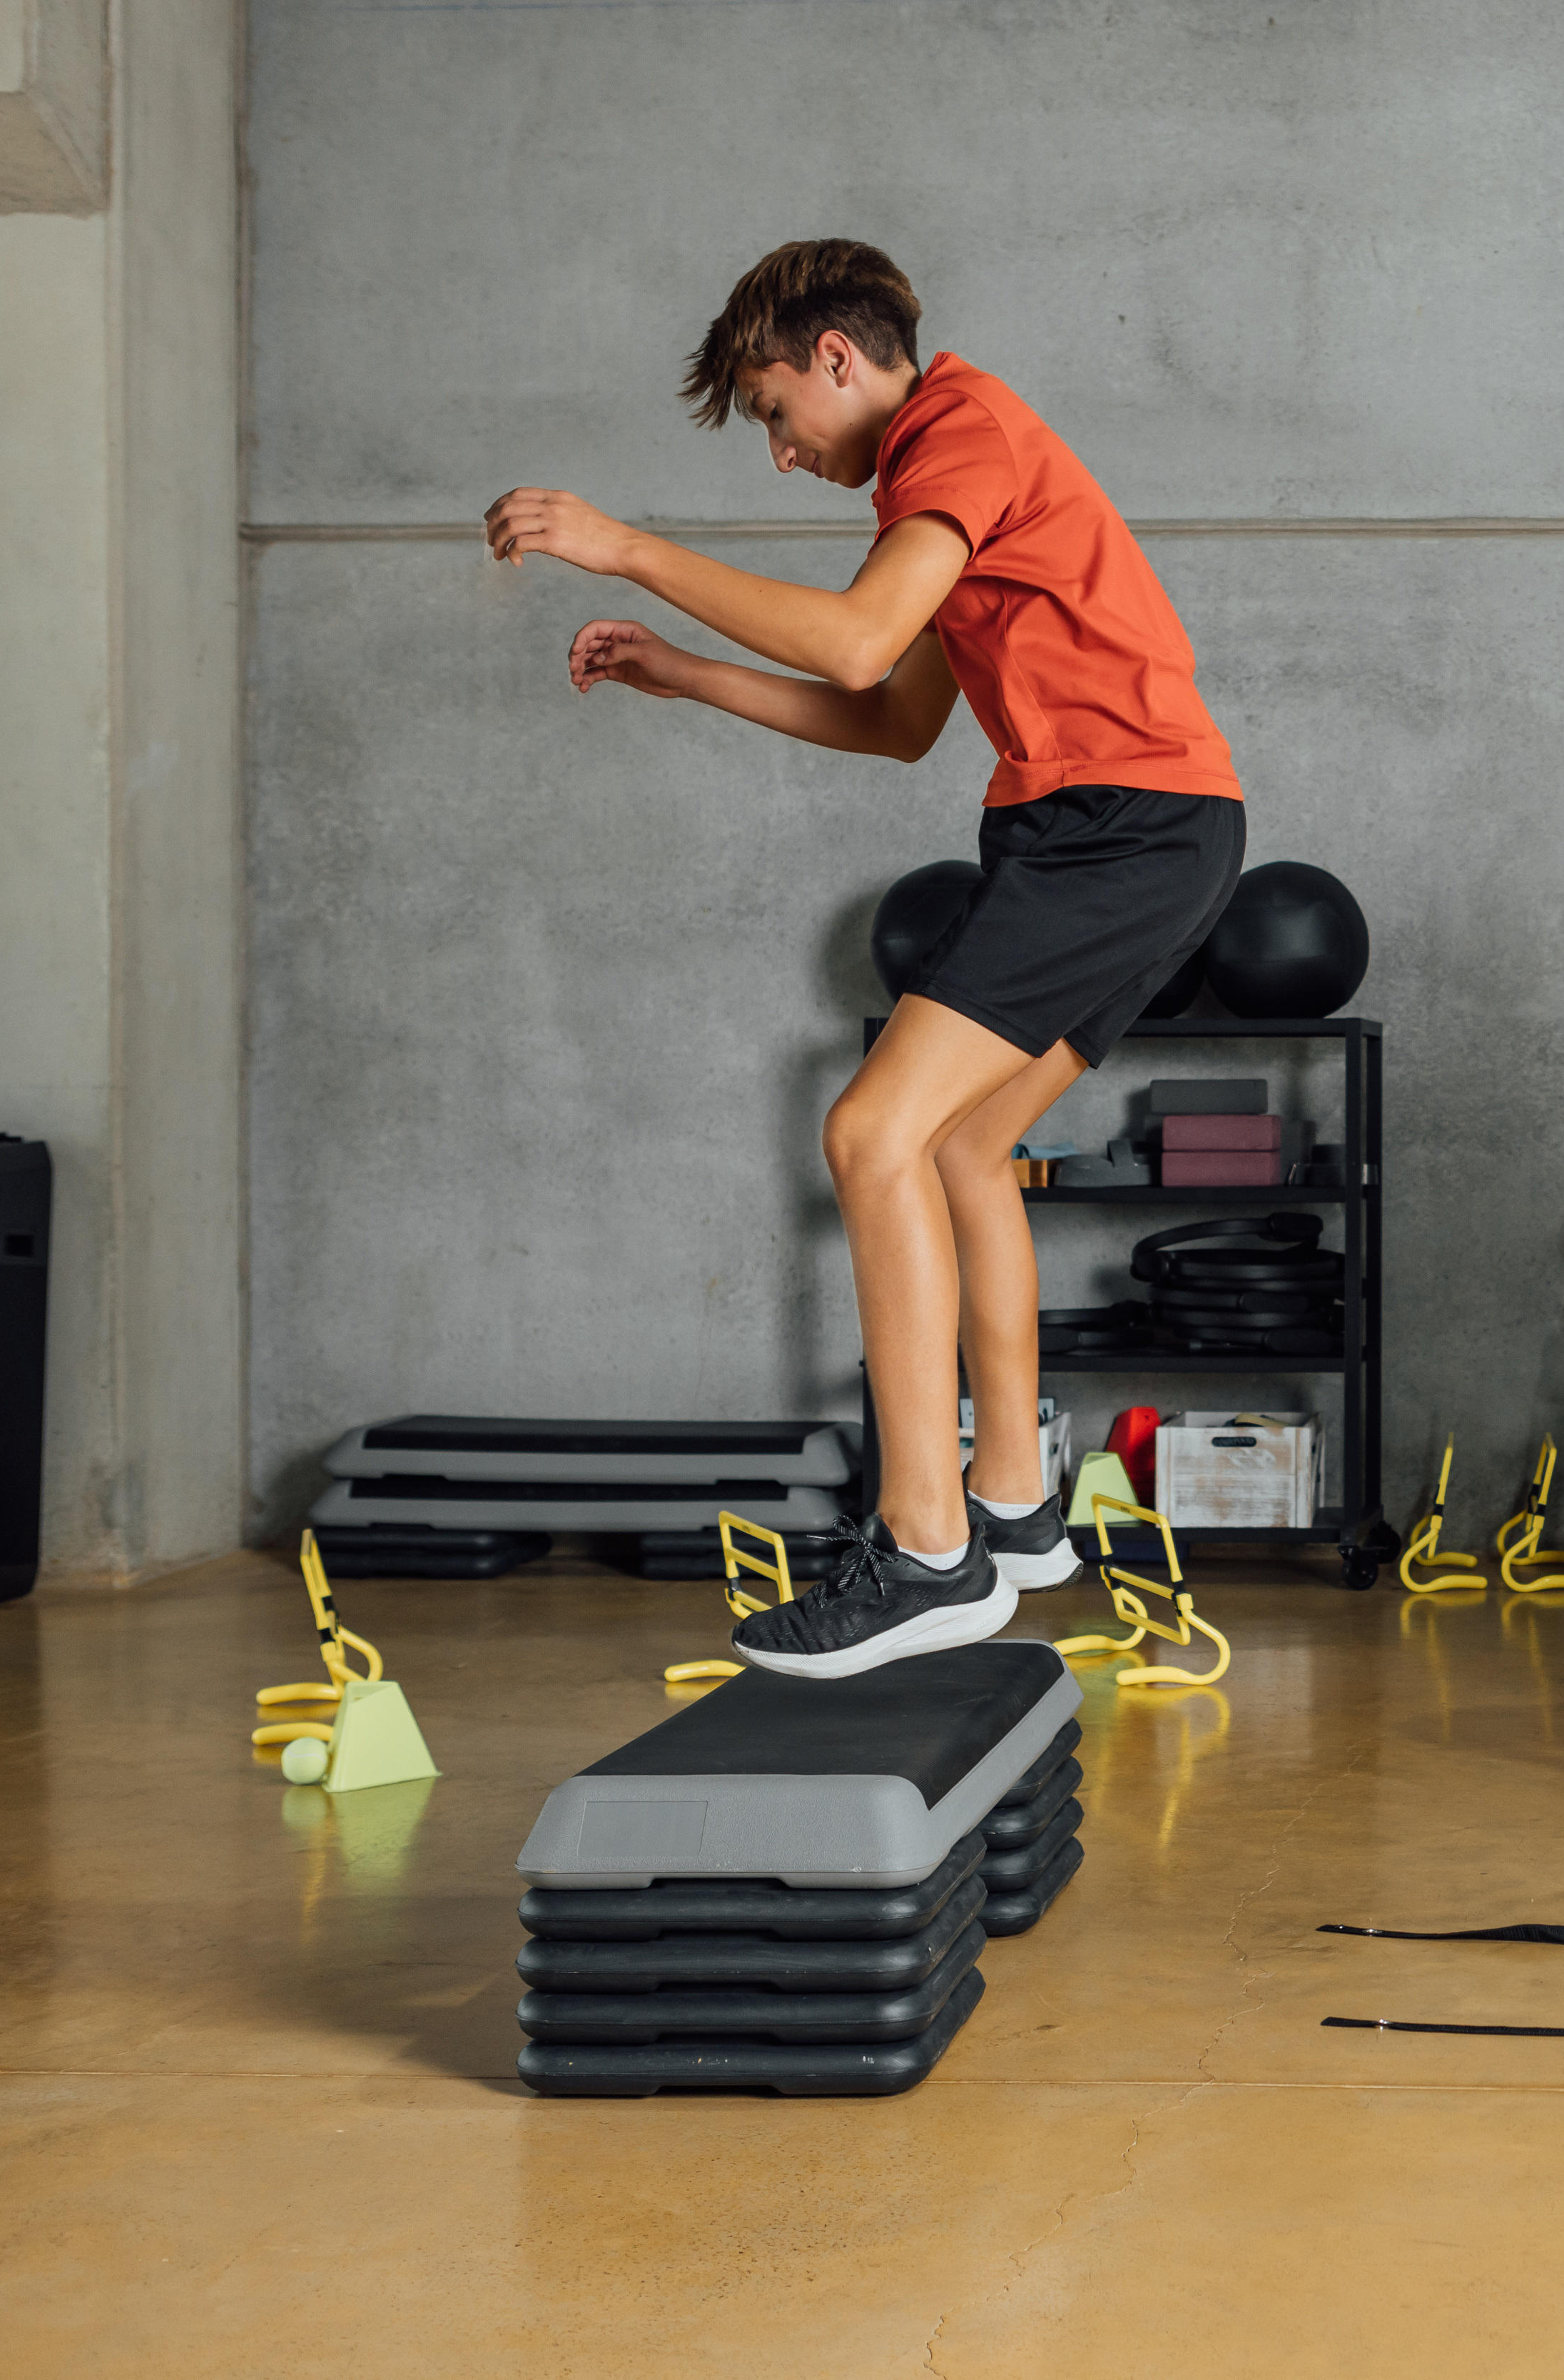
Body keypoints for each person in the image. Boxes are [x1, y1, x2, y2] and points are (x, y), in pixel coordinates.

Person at [482, 240, 1246, 1678]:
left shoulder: (955, 432)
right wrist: (682, 673)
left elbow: (849, 643)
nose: (781, 453)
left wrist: (626, 544)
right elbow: (891, 718)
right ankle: (1012, 1507)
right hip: (1138, 829)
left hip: (1118, 828)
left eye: (775, 414)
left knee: (866, 1132)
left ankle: (926, 1548)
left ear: (835, 356)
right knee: (961, 1148)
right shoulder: (955, 486)